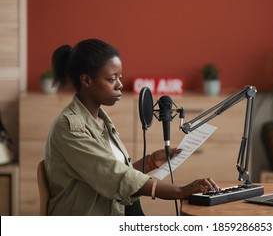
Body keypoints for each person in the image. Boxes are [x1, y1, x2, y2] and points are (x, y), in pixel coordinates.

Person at [44, 38, 219, 216]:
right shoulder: (69, 127)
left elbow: (114, 173)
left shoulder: (102, 121)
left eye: (120, 77)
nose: (120, 84)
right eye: (112, 79)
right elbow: (116, 177)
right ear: (86, 81)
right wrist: (180, 191)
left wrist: (151, 161)